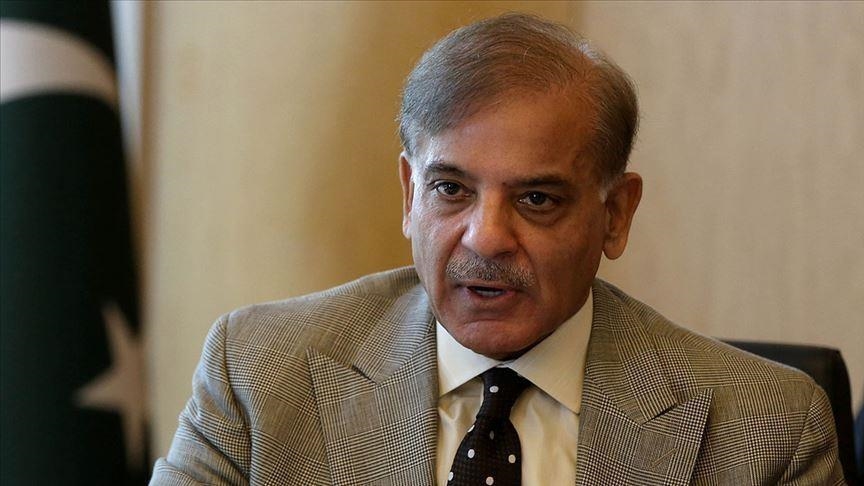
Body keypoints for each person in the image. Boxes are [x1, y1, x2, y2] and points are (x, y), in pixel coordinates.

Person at [150, 13, 843, 485]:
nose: (485, 237)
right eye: (451, 189)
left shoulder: (767, 429)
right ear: (410, 193)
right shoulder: (260, 374)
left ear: (615, 215)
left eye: (536, 199)